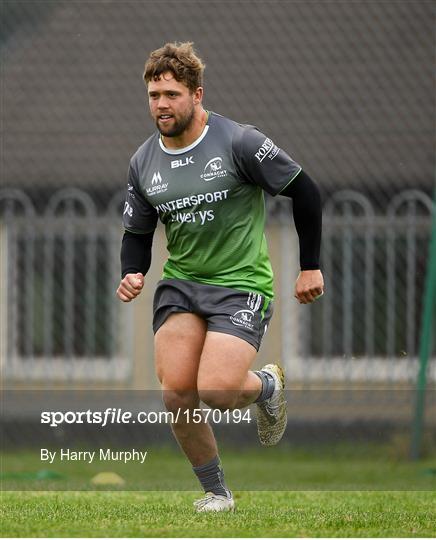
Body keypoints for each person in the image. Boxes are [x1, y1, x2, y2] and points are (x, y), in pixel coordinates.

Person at [117, 42, 324, 512]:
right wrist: (133, 272)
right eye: (153, 95)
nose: (161, 105)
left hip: (240, 285)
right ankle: (216, 494)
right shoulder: (143, 161)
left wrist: (309, 264)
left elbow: (306, 191)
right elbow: (137, 231)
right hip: (182, 284)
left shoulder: (239, 142)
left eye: (171, 93)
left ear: (197, 93)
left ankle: (267, 387)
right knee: (177, 393)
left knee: (217, 390)